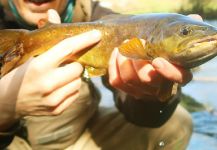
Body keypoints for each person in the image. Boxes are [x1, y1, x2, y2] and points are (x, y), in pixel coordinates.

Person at [0, 0, 195, 149]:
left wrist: (149, 95)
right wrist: (5, 107)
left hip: (79, 137)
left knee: (177, 123)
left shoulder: (99, 17)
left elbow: (144, 115)